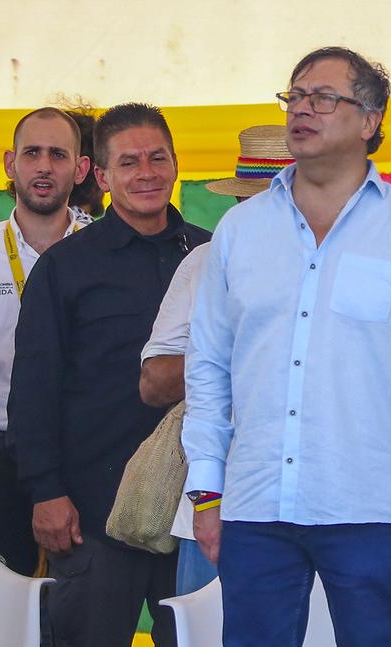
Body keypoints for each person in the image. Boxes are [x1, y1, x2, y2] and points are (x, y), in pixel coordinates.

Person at [183, 47, 391, 646]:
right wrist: (206, 491)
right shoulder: (239, 231)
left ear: (370, 121)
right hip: (255, 502)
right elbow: (207, 367)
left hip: (367, 503)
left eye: (322, 98)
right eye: (294, 96)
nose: (301, 110)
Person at [9, 102, 208, 647]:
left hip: (194, 510)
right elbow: (33, 392)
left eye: (157, 158)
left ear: (176, 164)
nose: (146, 173)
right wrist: (46, 493)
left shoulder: (211, 253)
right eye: (128, 162)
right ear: (100, 176)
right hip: (93, 510)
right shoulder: (65, 266)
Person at [140, 124, 291, 596]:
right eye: (248, 201)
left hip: (320, 510)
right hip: (214, 505)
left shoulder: (345, 261)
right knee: (207, 625)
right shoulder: (204, 262)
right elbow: (153, 382)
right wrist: (231, 356)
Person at [0, 107, 90, 577]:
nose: (44, 166)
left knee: (79, 605)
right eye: (32, 153)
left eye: (58, 155)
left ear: (81, 168)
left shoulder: (104, 252)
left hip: (84, 456)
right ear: (10, 163)